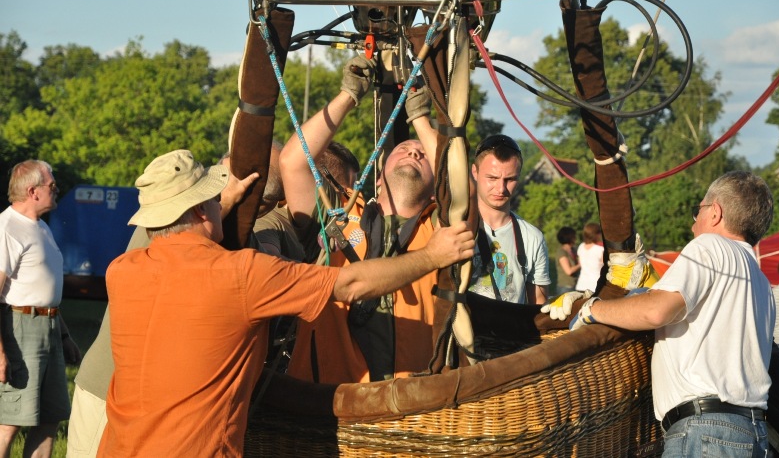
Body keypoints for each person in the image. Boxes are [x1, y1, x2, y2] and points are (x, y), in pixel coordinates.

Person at [96, 149, 472, 456]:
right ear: (199, 211)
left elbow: (183, 250)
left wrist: (209, 208)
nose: (219, 200)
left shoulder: (122, 271)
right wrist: (432, 256)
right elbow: (351, 284)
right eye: (213, 198)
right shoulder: (242, 274)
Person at [67, 156, 260, 458]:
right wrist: (226, 201)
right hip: (106, 390)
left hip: (134, 400)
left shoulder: (184, 229)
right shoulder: (162, 227)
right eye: (211, 189)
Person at [570, 171, 774, 456]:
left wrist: (592, 308)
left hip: (706, 430)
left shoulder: (709, 245)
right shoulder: (761, 280)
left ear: (715, 212)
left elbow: (656, 311)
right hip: (752, 432)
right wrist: (641, 294)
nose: (693, 224)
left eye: (698, 211)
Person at [280, 55, 445, 383]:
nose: (415, 152)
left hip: (410, 399)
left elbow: (463, 185)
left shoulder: (440, 229)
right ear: (379, 177)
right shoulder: (337, 213)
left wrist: (420, 119)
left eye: (425, 154)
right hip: (330, 398)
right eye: (403, 149)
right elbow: (293, 162)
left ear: (435, 188)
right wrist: (348, 95)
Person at [0, 160, 81, 456]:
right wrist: (0, 352)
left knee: (49, 419)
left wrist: (64, 335)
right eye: (52, 185)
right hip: (19, 330)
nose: (56, 190)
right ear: (33, 191)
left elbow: (43, 291)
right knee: (9, 421)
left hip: (49, 328)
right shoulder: (7, 228)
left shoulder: (41, 227)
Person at [467, 134, 550, 304]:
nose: (501, 188)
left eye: (510, 179)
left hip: (512, 322)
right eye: (492, 178)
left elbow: (538, 305)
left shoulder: (532, 237)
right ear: (475, 172)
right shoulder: (456, 226)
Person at [575, 222, 603, 293]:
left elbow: (580, 263)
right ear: (596, 234)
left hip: (581, 285)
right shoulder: (600, 249)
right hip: (595, 286)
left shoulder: (581, 246)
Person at [555, 226, 580, 296]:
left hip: (575, 285)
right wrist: (581, 264)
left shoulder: (574, 250)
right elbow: (568, 271)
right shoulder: (561, 252)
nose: (575, 238)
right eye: (574, 236)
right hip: (565, 287)